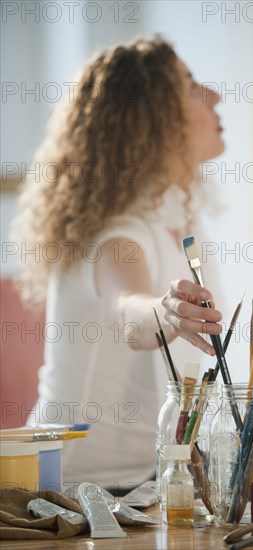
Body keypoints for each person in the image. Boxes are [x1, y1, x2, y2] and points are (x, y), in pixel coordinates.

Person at [13, 36, 225, 492]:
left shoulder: (180, 220)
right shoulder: (118, 233)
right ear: (151, 119)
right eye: (191, 87)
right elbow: (129, 309)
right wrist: (166, 312)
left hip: (142, 486)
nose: (215, 96)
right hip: (63, 492)